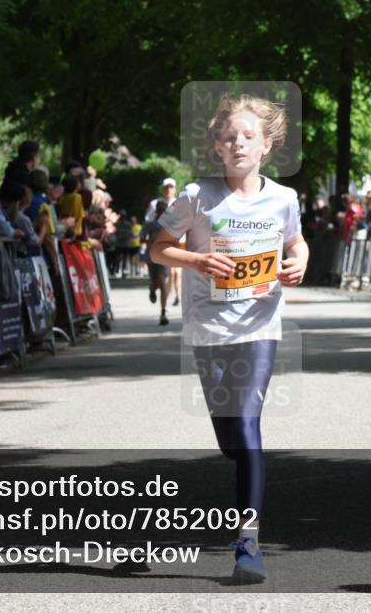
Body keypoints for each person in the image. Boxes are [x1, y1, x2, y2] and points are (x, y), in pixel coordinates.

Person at [151, 93, 308, 584]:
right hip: (208, 328)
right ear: (217, 147)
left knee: (246, 424)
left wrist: (300, 261)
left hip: (259, 324)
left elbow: (295, 241)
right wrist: (197, 260)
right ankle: (245, 486)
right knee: (230, 439)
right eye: (229, 137)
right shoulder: (197, 196)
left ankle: (248, 542)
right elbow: (157, 248)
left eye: (248, 136)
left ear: (266, 146)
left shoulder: (283, 199)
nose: (238, 143)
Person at [140, 200, 171, 325]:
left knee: (163, 283)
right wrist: (151, 241)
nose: (162, 211)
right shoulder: (149, 224)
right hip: (152, 256)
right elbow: (141, 239)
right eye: (160, 209)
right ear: (156, 211)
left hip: (165, 256)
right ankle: (152, 289)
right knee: (156, 282)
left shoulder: (170, 224)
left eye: (164, 209)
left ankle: (163, 312)